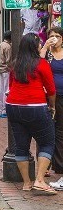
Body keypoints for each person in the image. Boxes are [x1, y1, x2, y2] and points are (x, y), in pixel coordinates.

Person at [6, 33, 56, 194]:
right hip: (35, 107)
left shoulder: (15, 64)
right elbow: (51, 89)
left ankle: (27, 183)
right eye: (39, 44)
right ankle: (40, 180)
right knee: (47, 142)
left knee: (21, 146)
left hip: (13, 106)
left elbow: (11, 86)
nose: (41, 46)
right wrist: (52, 106)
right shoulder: (41, 64)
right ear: (35, 47)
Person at [40, 28, 63, 190]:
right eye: (51, 36)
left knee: (60, 131)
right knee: (47, 131)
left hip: (61, 97)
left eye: (57, 36)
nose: (54, 39)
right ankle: (45, 165)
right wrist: (45, 47)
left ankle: (59, 165)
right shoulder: (46, 54)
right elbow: (37, 65)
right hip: (48, 96)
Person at [0, 31, 12, 119]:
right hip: (6, 69)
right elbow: (9, 60)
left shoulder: (0, 45)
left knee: (2, 90)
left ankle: (0, 109)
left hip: (1, 69)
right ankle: (5, 110)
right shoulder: (8, 47)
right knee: (6, 90)